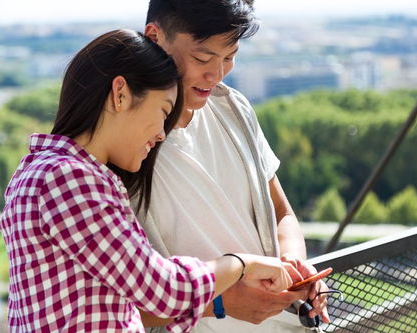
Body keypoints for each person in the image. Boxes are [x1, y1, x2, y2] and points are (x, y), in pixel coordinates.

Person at [0, 29, 303, 333]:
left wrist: (223, 303)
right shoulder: (66, 178)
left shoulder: (45, 172)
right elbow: (163, 292)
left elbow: (123, 307)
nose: (160, 134)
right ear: (121, 94)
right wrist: (240, 265)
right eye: (162, 112)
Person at [127, 1, 331, 332]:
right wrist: (220, 304)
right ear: (154, 37)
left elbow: (283, 214)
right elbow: (110, 303)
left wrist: (295, 267)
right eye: (203, 58)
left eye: (230, 57)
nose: (217, 74)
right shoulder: (120, 141)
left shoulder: (233, 108)